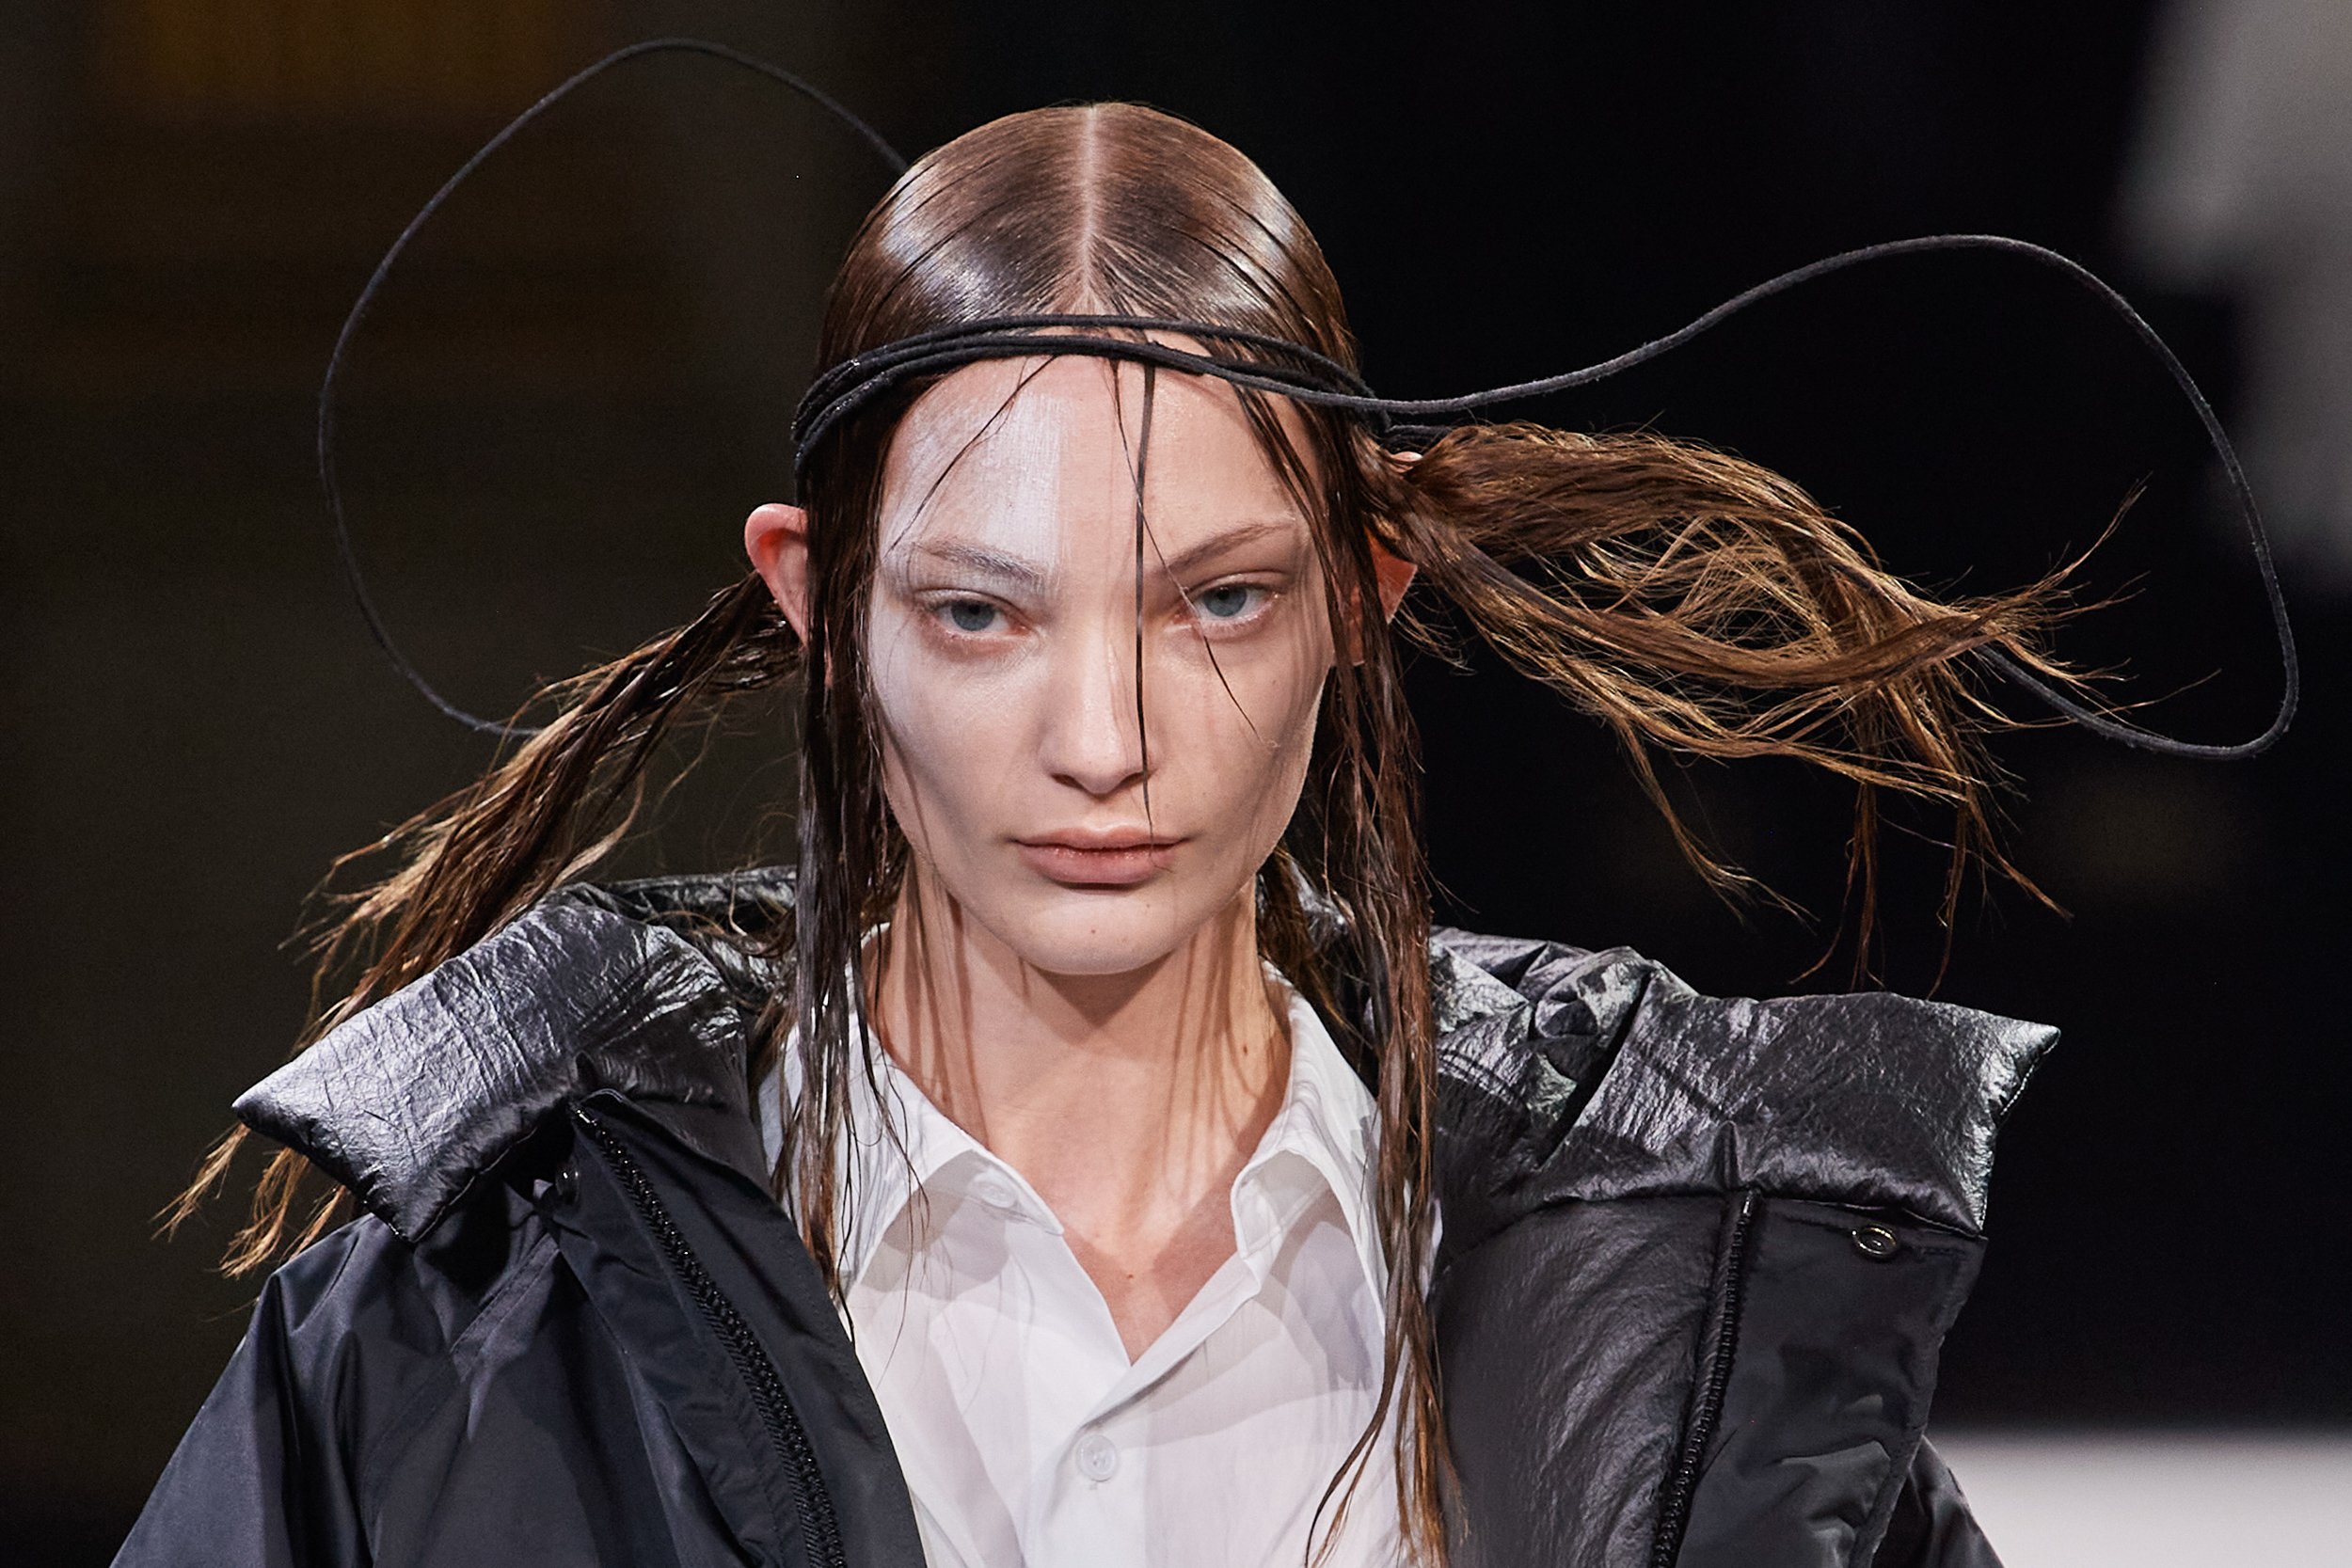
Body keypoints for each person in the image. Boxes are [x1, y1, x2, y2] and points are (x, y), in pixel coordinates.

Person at [119, 102, 2075, 1568]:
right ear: (819, 605)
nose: (1101, 742)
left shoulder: (1685, 1322)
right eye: (979, 612)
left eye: (1216, 600)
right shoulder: (460, 1329)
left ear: (1362, 594)